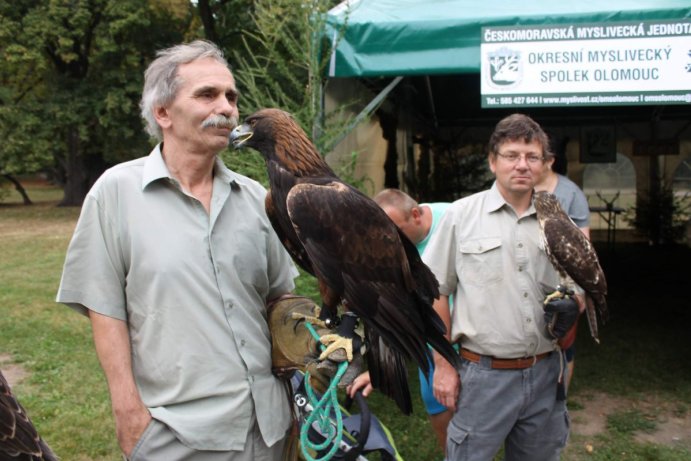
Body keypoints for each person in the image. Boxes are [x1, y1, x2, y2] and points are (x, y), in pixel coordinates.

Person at [56, 40, 299, 461]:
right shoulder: (116, 193)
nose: (226, 107)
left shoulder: (257, 198)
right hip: (178, 436)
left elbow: (281, 298)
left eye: (231, 96)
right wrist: (129, 412)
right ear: (163, 112)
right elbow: (104, 309)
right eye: (207, 94)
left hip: (271, 429)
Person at [425, 113, 579, 460]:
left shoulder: (558, 222)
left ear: (543, 164)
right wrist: (444, 365)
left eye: (532, 157)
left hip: (545, 373)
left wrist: (573, 312)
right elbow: (435, 292)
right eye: (512, 155)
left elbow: (577, 295)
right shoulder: (460, 216)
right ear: (493, 161)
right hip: (483, 378)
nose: (522, 165)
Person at [348, 188, 452, 455]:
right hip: (430, 336)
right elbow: (398, 311)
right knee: (436, 401)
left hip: (469, 332)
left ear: (416, 215)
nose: (387, 240)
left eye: (394, 230)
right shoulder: (389, 248)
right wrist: (381, 368)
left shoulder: (454, 221)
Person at [535, 150, 591, 391]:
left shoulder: (570, 194)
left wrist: (580, 291)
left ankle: (560, 398)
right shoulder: (519, 188)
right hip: (528, 277)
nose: (526, 164)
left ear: (550, 160)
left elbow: (583, 247)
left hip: (563, 279)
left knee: (564, 342)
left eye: (535, 158)